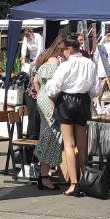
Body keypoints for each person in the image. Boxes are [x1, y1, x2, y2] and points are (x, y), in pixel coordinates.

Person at [44, 36, 98, 196]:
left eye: (63, 50)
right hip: (82, 102)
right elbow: (95, 90)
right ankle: (84, 179)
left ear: (69, 49)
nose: (62, 53)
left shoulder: (66, 65)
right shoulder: (90, 63)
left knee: (69, 144)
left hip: (66, 101)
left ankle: (74, 184)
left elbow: (53, 88)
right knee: (82, 145)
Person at [29, 44, 65, 190]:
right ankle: (44, 176)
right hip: (50, 100)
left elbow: (35, 81)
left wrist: (40, 95)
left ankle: (42, 173)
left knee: (48, 133)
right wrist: (53, 104)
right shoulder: (56, 62)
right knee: (53, 134)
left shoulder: (44, 59)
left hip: (42, 98)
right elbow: (54, 88)